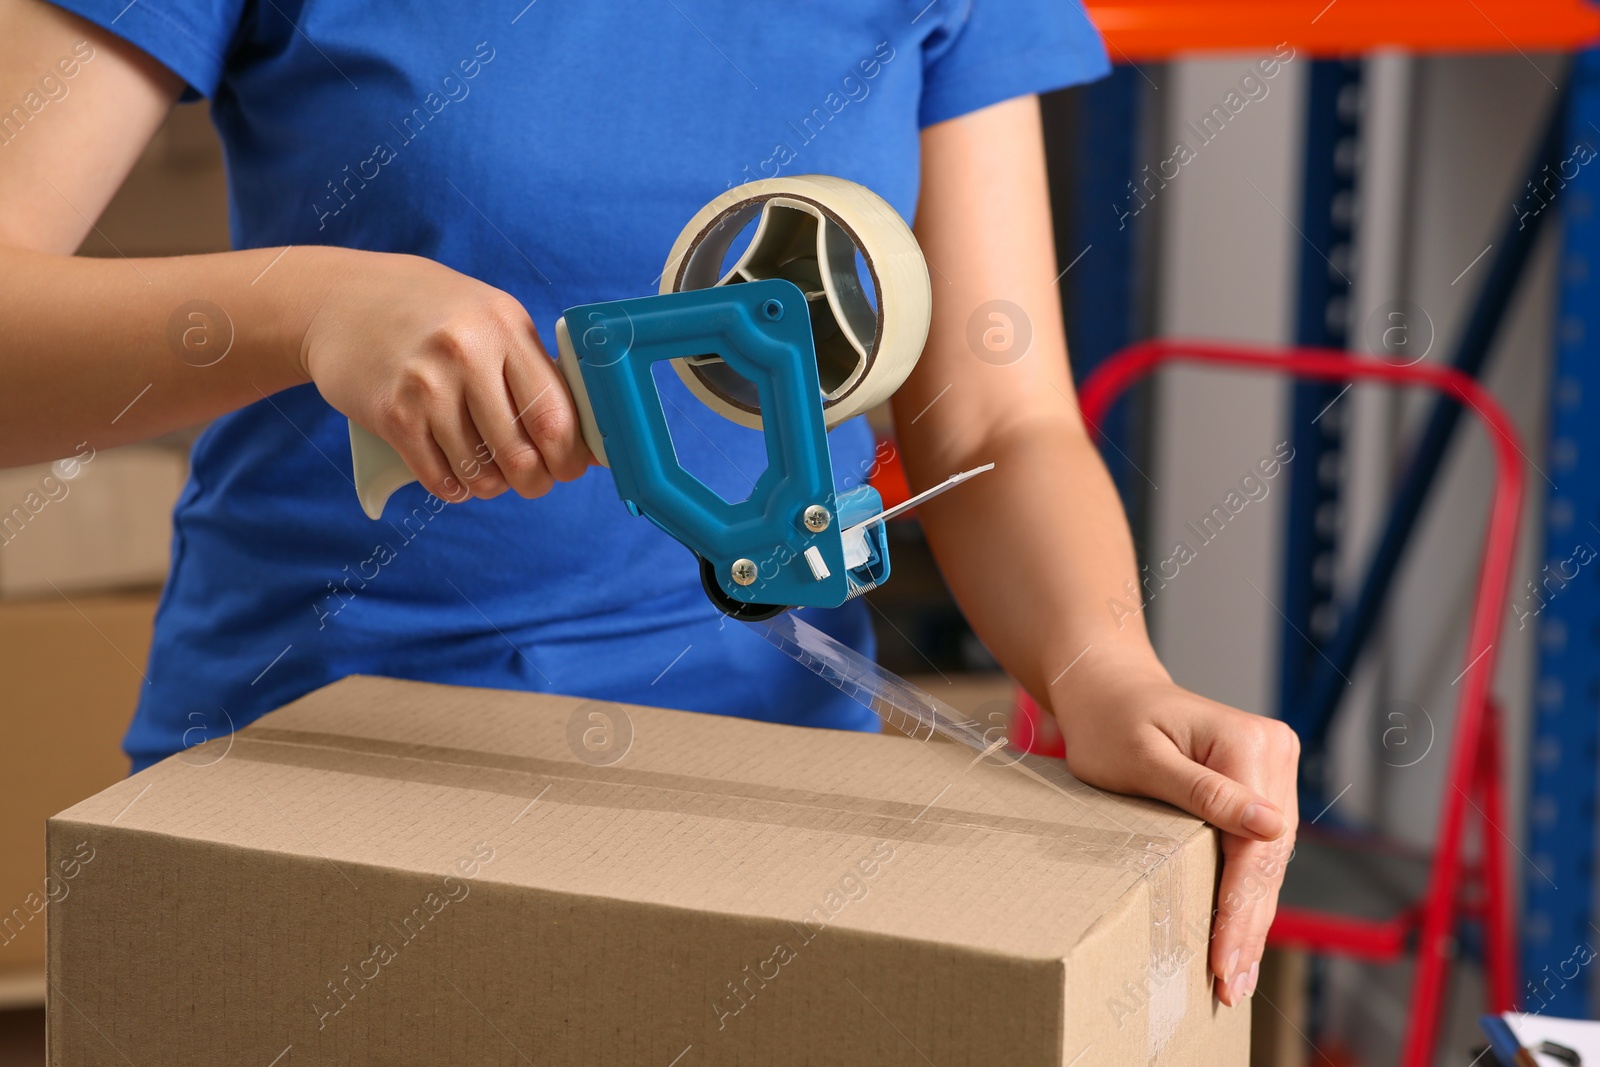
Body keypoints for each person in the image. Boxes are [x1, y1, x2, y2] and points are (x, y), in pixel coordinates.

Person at [0, 0, 1297, 1007]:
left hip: (762, 837)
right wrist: (309, 305)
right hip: (308, 812)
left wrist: (1109, 671)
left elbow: (999, 422)